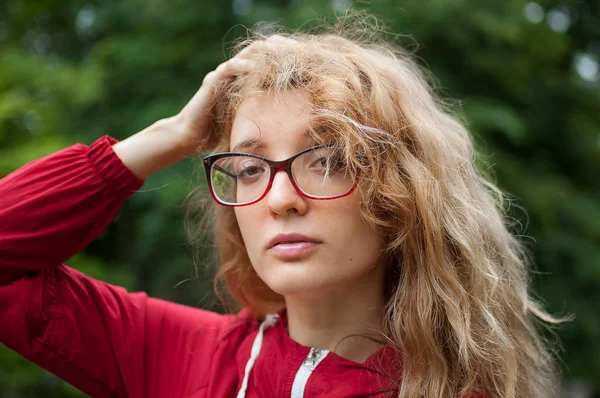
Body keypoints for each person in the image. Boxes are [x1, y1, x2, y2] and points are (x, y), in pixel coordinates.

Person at [0, 15, 563, 398]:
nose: (281, 198)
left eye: (330, 160)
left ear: (403, 192)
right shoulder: (181, 356)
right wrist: (169, 136)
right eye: (248, 168)